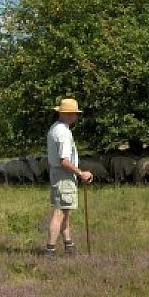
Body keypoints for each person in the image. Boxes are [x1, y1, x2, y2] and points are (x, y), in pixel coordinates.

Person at [45, 98, 92, 256]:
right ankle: (50, 250)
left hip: (58, 174)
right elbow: (64, 160)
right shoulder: (64, 133)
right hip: (64, 175)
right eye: (74, 114)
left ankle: (69, 245)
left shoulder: (55, 128)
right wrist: (80, 173)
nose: (76, 117)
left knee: (65, 212)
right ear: (67, 114)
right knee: (59, 213)